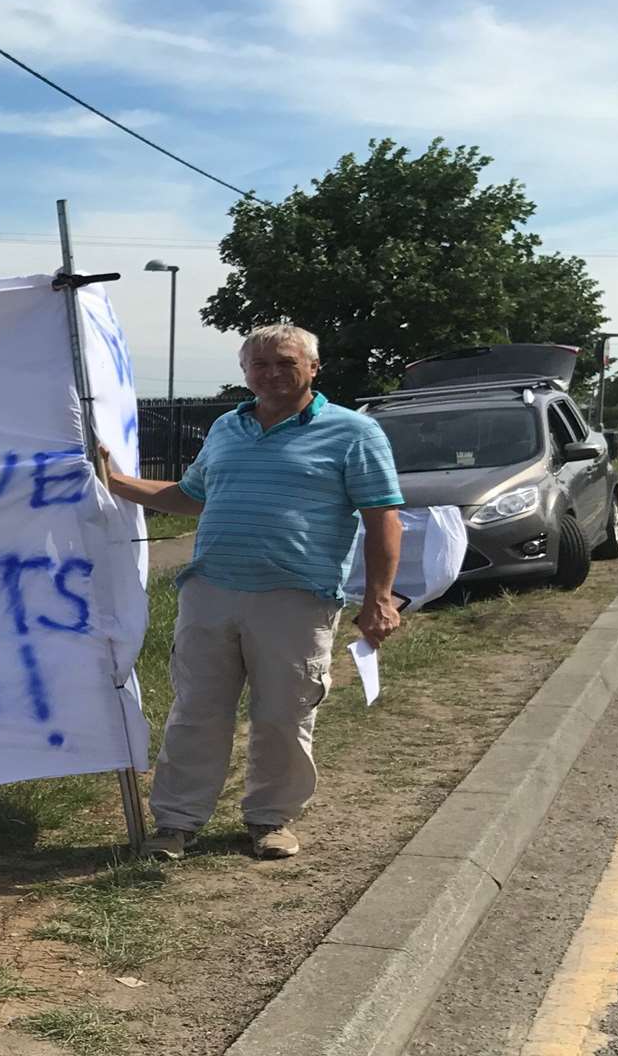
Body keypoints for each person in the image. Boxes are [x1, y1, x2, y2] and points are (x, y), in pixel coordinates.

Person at [99, 324, 403, 861]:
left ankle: (270, 820)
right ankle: (175, 823)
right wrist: (117, 482)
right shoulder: (225, 427)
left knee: (284, 715)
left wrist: (379, 597)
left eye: (285, 362)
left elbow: (383, 517)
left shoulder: (353, 432)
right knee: (195, 712)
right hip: (210, 592)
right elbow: (192, 495)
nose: (271, 373)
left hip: (297, 598)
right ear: (244, 372)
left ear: (312, 369)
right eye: (259, 364)